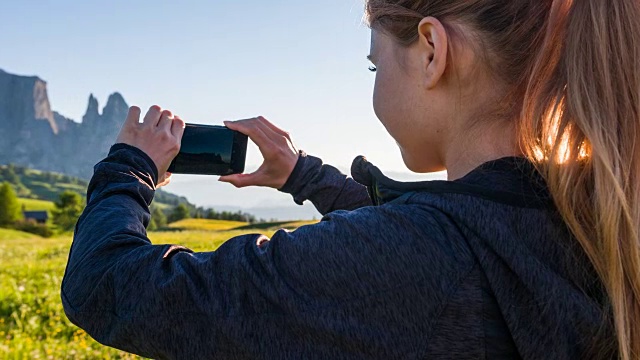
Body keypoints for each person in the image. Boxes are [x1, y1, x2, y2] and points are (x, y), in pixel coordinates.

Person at [61, 0, 640, 359]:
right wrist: (303, 175)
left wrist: (129, 168)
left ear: (432, 51)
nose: (373, 81)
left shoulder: (418, 261)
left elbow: (107, 286)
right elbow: (452, 224)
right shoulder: (596, 210)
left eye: (374, 64)